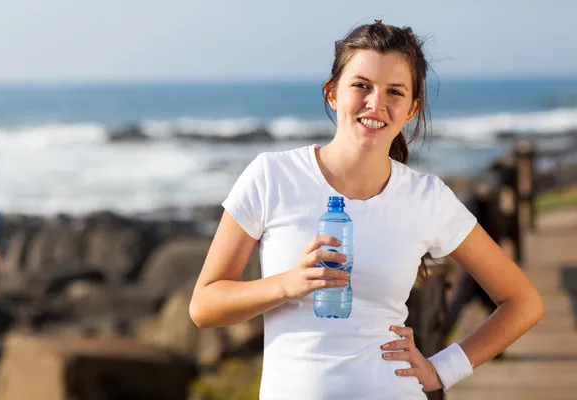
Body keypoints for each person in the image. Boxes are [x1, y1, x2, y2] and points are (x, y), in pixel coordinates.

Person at [189, 20, 544, 399]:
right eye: (361, 85)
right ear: (332, 93)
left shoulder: (426, 196)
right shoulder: (272, 176)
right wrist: (286, 285)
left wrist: (442, 369)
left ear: (412, 109)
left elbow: (523, 303)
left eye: (395, 91)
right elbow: (205, 305)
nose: (376, 103)